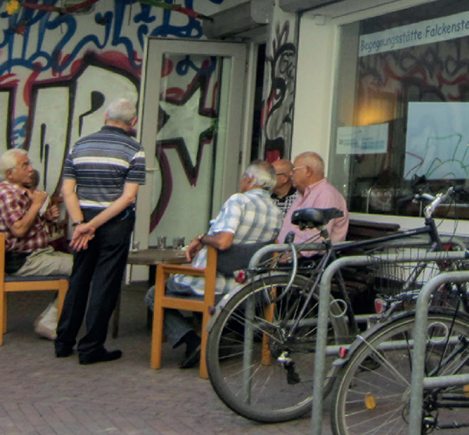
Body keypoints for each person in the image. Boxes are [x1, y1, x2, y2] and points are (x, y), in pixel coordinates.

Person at [145, 160, 280, 368]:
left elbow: (224, 242)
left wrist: (201, 238)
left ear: (251, 179)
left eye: (243, 177)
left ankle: (192, 342)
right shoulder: (275, 211)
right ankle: (213, 340)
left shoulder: (239, 201)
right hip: (246, 287)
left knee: (154, 293)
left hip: (212, 283)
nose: (241, 181)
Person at [55, 97, 146, 365]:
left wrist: (80, 224)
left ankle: (63, 342)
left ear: (105, 117)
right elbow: (128, 197)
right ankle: (91, 347)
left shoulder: (79, 146)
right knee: (105, 284)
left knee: (79, 278)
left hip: (82, 220)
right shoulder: (135, 150)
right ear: (133, 122)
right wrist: (94, 225)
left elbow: (67, 191)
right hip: (114, 223)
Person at [0, 148, 72, 338]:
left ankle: (48, 319)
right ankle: (49, 321)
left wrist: (45, 217)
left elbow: (25, 223)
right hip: (23, 260)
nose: (31, 169)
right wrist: (36, 205)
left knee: (81, 265)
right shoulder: (6, 194)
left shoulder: (18, 192)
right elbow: (18, 229)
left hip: (36, 255)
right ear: (10, 173)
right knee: (81, 268)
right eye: (25, 165)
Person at [279, 151, 349, 245]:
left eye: (294, 170)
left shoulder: (326, 194)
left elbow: (314, 242)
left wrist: (285, 253)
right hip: (284, 250)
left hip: (302, 253)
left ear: (308, 171)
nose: (291, 174)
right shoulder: (302, 194)